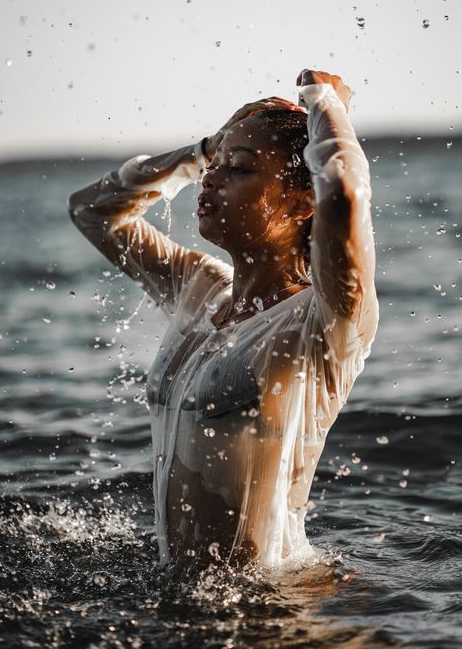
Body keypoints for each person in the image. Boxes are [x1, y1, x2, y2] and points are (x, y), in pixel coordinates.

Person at [68, 69, 378, 568]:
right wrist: (197, 155)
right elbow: (91, 211)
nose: (212, 178)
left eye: (238, 168)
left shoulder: (323, 321)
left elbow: (342, 193)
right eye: (215, 165)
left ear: (302, 202)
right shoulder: (201, 291)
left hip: (277, 610)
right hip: (182, 597)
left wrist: (326, 103)